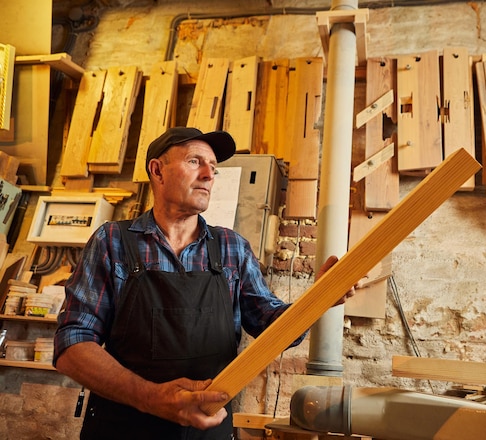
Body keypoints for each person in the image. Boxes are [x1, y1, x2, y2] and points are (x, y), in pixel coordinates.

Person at [54, 127, 352, 440]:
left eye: (214, 167)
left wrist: (318, 299)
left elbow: (271, 328)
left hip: (209, 431)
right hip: (123, 427)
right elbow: (72, 342)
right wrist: (151, 397)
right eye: (195, 162)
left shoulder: (231, 248)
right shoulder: (111, 241)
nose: (209, 175)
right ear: (157, 170)